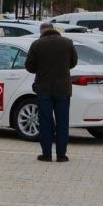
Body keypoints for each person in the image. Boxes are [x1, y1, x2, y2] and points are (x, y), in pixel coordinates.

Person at [25, 21, 78, 162]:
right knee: (62, 122)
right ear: (53, 30)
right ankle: (62, 155)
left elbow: (29, 66)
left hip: (44, 89)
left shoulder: (37, 44)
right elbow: (73, 63)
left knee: (45, 122)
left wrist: (41, 67)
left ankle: (46, 154)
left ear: (41, 31)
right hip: (63, 89)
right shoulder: (67, 42)